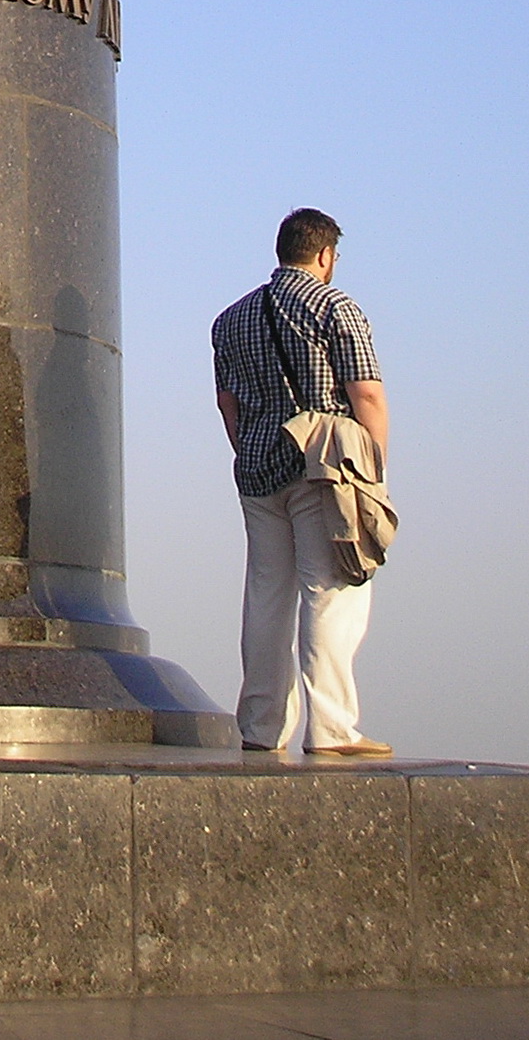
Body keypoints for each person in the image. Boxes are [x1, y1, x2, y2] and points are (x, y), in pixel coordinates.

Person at [211, 209, 393, 757]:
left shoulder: (230, 319)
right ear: (325, 255)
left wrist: (251, 450)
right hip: (326, 466)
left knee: (267, 595)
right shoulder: (336, 306)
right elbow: (367, 396)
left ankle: (261, 728)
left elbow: (227, 403)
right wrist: (374, 470)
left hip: (259, 466)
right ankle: (334, 730)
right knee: (331, 590)